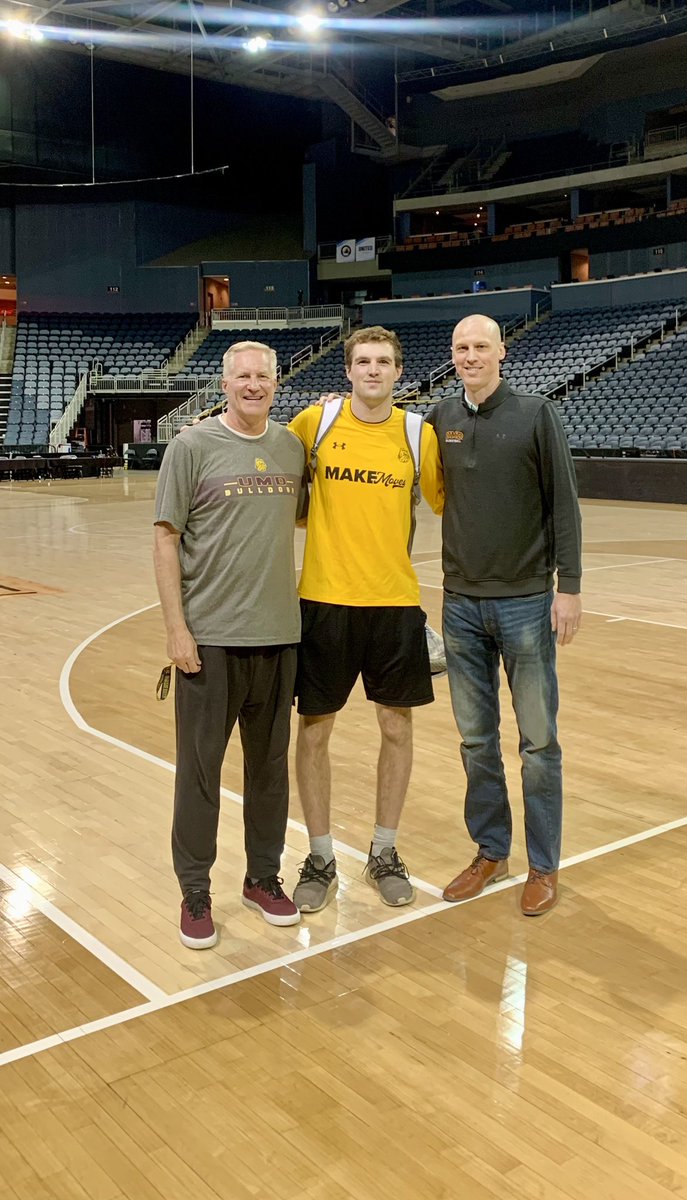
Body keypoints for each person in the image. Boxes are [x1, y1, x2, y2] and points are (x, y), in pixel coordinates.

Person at [427, 313, 582, 916]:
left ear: (501, 352)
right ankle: (492, 851)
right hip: (460, 603)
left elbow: (563, 504)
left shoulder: (535, 414)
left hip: (525, 601)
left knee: (539, 741)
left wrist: (567, 586)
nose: (470, 356)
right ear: (454, 354)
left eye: (481, 347)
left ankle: (543, 866)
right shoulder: (439, 418)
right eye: (461, 347)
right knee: (475, 740)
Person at [153, 340, 306, 949]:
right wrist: (176, 628)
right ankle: (195, 890)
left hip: (278, 637)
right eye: (242, 376)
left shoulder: (292, 447)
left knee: (269, 773)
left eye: (263, 376)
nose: (253, 385)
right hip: (209, 641)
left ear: (275, 381)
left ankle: (262, 877)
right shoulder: (190, 447)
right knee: (199, 774)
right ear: (224, 382)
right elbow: (166, 540)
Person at [287, 326, 444, 912]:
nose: (373, 370)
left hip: (394, 602)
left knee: (397, 729)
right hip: (324, 600)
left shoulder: (416, 434)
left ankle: (384, 851)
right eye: (363, 361)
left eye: (383, 362)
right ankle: (321, 855)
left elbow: (451, 501)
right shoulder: (315, 424)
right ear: (347, 371)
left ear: (398, 373)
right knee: (314, 731)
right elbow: (272, 479)